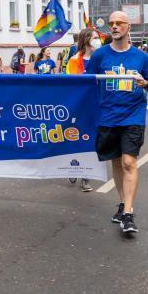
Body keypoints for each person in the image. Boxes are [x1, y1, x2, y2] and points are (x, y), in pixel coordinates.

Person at [85, 11, 148, 234]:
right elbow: (87, 84)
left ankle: (128, 214)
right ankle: (122, 203)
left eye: (119, 23)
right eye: (112, 23)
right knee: (116, 163)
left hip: (133, 117)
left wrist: (144, 84)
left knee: (128, 162)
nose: (114, 26)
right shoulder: (99, 56)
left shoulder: (141, 57)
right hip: (108, 117)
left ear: (128, 27)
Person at [66, 28, 102, 192]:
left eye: (98, 37)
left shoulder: (101, 58)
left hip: (97, 105)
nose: (97, 40)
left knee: (92, 141)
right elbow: (71, 85)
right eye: (94, 37)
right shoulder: (74, 60)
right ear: (86, 40)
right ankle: (72, 167)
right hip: (80, 107)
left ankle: (86, 178)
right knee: (76, 139)